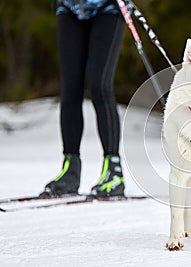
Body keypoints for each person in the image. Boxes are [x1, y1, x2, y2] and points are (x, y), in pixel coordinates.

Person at [40, 0, 132, 197]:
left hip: (107, 8)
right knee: (70, 90)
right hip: (70, 9)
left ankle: (113, 170)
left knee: (100, 85)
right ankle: (70, 170)